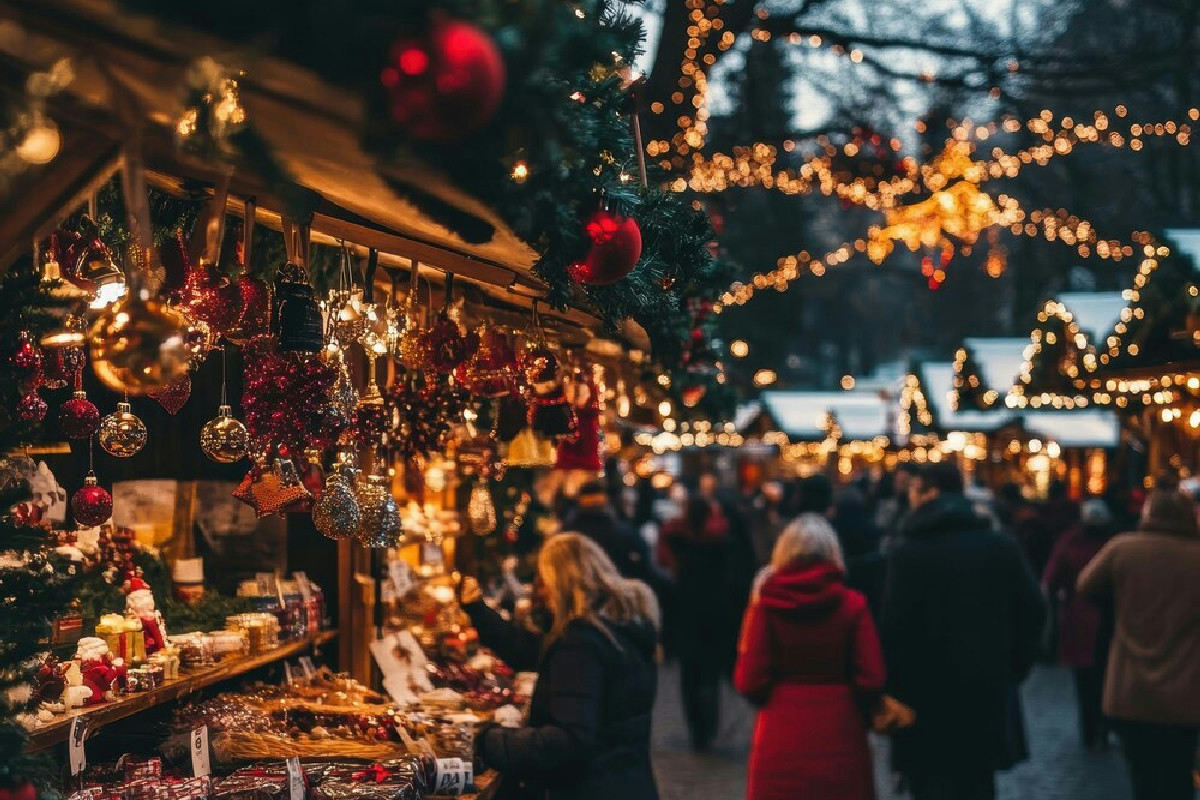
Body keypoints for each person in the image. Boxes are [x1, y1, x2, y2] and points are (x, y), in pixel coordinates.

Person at [881, 462, 1045, 800]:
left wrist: (894, 692)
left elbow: (894, 631)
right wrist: (1012, 667)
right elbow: (1034, 610)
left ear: (930, 494)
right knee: (977, 786)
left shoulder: (908, 554)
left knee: (929, 786)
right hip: (984, 695)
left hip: (923, 701)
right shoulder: (1000, 547)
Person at [461, 533, 661, 800]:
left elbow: (568, 740)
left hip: (591, 789)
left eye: (542, 580)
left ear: (560, 582)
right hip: (628, 783)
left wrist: (489, 741)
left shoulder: (581, 642)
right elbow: (530, 652)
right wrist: (478, 610)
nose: (537, 590)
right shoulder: (619, 629)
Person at [734, 514, 886, 800]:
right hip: (841, 733)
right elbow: (872, 677)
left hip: (781, 735)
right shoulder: (853, 605)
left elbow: (749, 681)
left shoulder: (766, 605)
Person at [1077, 484, 1200, 800]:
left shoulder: (1123, 549)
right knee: (1177, 774)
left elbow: (1086, 586)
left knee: (1142, 775)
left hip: (1130, 690)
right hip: (1186, 693)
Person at [658, 496, 732, 751]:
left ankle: (697, 731)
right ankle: (709, 727)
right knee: (709, 678)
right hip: (712, 621)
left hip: (687, 621)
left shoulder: (681, 546)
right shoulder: (721, 548)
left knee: (690, 678)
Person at [1042, 497, 1114, 750]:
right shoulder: (1111, 543)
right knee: (1103, 677)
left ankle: (1091, 731)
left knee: (1087, 681)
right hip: (1103, 621)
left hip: (1082, 620)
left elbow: (1051, 580)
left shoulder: (1071, 543)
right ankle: (1100, 730)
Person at [562, 480, 670, 605]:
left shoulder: (565, 535)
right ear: (607, 502)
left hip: (575, 604)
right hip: (621, 605)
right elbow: (646, 572)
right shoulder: (626, 534)